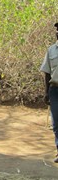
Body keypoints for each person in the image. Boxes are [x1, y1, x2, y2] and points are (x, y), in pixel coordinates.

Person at [40, 22, 58, 163]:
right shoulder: (51, 50)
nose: (57, 32)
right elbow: (46, 72)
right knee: (56, 122)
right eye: (57, 30)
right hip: (55, 89)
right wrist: (46, 92)